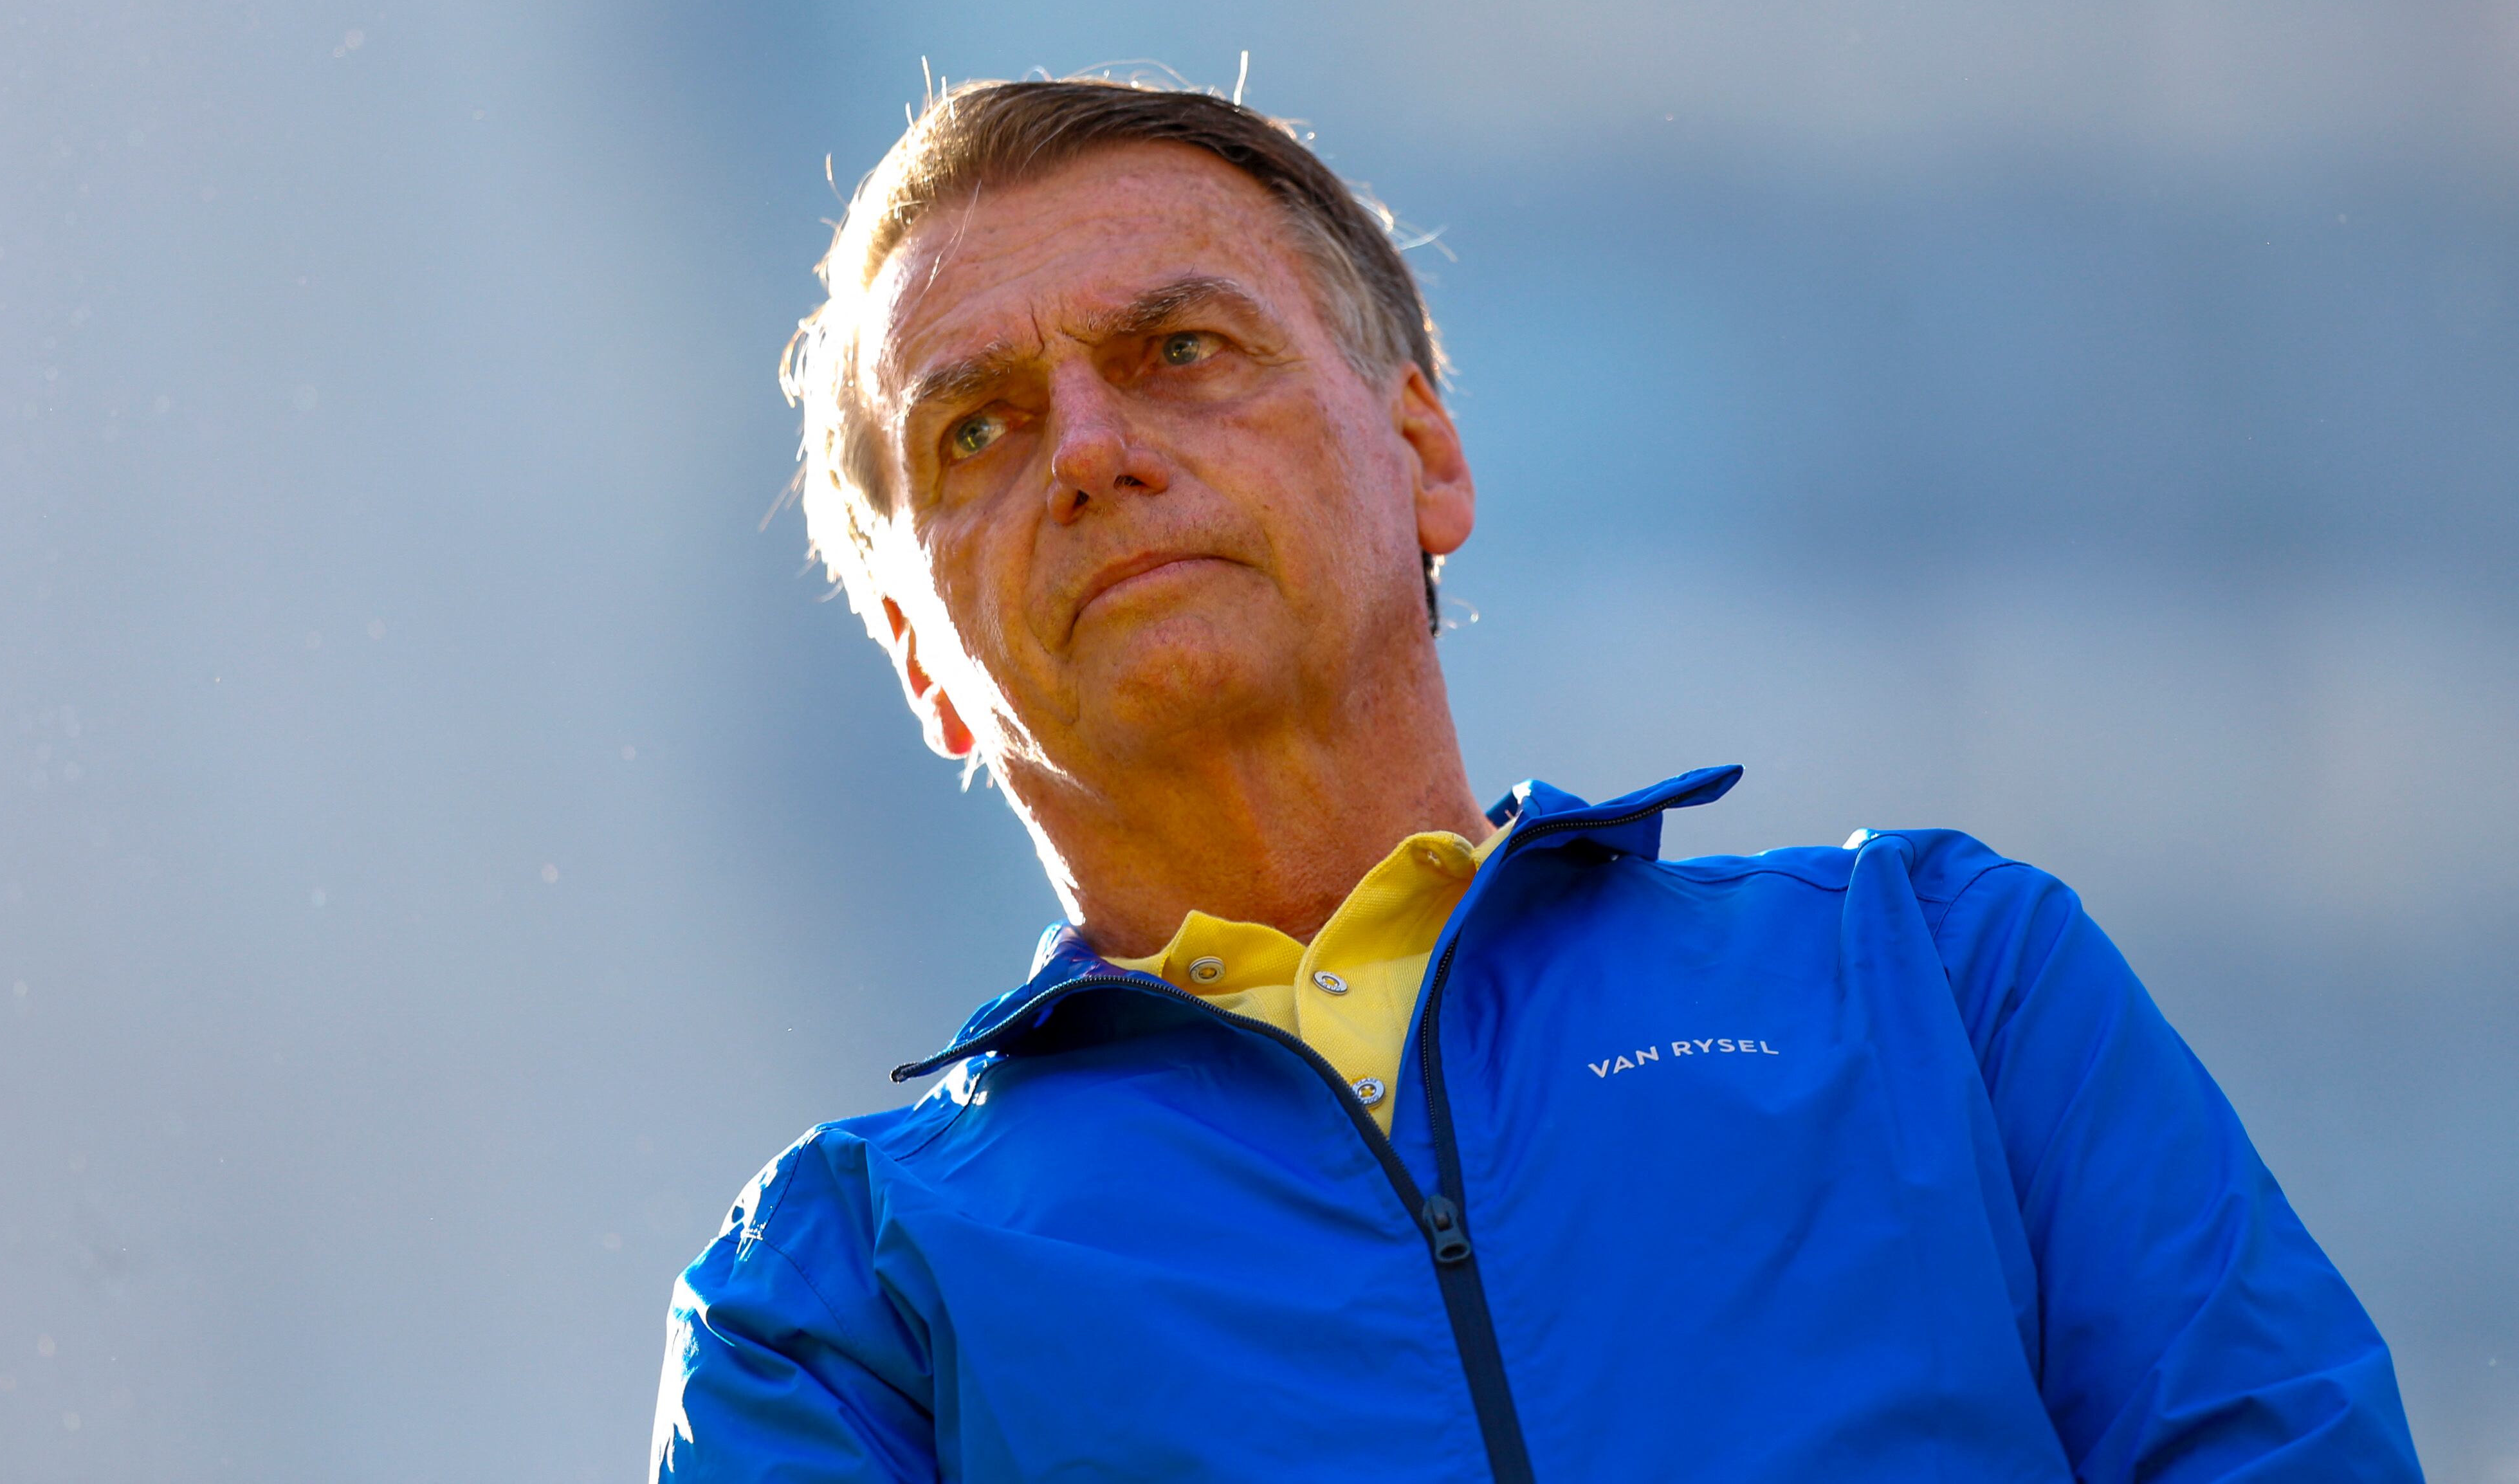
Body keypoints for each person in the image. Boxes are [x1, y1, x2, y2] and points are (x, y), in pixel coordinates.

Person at [650, 77, 2421, 1482]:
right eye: (977, 430)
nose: (1093, 454)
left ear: (1424, 451)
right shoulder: (837, 1306)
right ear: (916, 661)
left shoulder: (1942, 982)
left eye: (1176, 353)